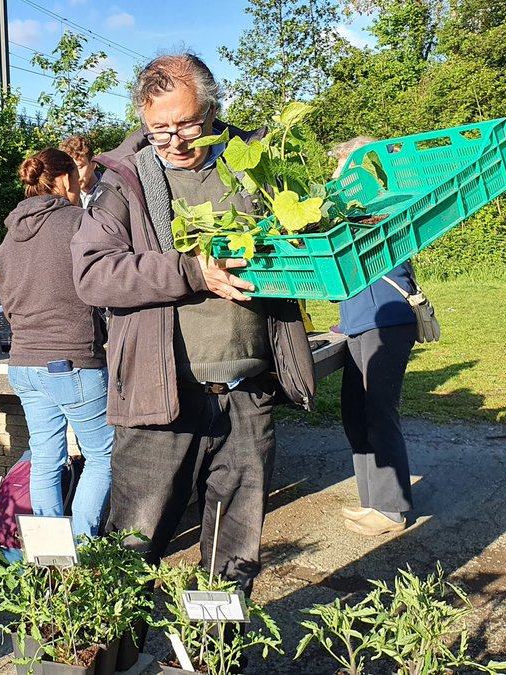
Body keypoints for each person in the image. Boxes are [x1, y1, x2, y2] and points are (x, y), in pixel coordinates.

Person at [70, 53, 315, 592]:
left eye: (188, 126)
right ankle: (111, 653)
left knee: (233, 551)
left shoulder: (254, 167)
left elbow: (299, 244)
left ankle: (214, 655)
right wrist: (192, 271)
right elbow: (94, 273)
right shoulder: (124, 183)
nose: (176, 141)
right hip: (161, 397)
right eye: (160, 130)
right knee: (132, 546)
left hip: (248, 393)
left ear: (213, 109)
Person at [0, 148, 113, 539]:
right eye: (76, 179)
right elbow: (106, 287)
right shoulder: (81, 223)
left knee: (46, 458)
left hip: (23, 363)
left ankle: (50, 560)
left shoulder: (10, 236)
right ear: (64, 180)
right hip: (71, 362)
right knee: (103, 457)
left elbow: (5, 301)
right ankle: (85, 551)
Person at [332, 136, 419, 537]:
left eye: (348, 167)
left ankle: (392, 510)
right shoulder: (353, 212)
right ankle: (373, 500)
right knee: (356, 412)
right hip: (359, 322)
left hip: (386, 321)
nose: (339, 176)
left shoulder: (385, 210)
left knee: (379, 412)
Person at [60, 135, 101, 208]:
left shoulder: (111, 191)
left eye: (79, 167)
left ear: (93, 164)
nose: (75, 175)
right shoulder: (62, 196)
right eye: (70, 170)